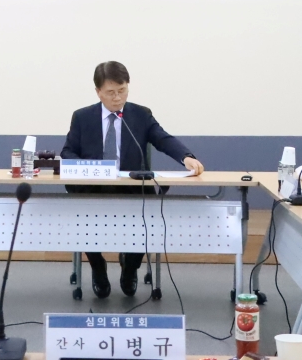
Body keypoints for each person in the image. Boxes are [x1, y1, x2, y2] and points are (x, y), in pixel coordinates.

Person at [61, 61, 205, 298]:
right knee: (82, 215)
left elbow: (163, 139)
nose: (117, 98)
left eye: (122, 90)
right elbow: (68, 152)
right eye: (111, 92)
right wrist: (88, 168)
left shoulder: (140, 114)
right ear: (98, 92)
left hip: (132, 188)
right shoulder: (82, 117)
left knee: (149, 214)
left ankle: (130, 268)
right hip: (94, 187)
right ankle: (97, 267)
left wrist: (186, 157)